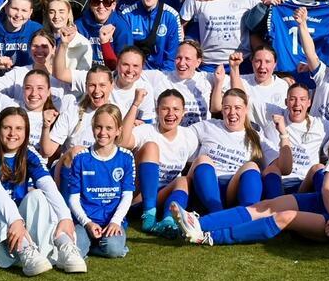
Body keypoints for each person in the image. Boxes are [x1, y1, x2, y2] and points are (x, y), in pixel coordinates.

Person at [166, 136, 329, 249]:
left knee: (284, 217)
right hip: (327, 203)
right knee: (265, 205)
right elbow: (327, 187)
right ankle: (199, 223)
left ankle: (209, 237)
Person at [0, 108, 88, 275]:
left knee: (38, 195)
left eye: (19, 128)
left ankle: (64, 245)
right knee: (2, 203)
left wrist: (65, 217)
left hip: (14, 228)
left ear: (26, 132)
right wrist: (15, 221)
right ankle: (26, 251)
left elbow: (48, 186)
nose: (13, 133)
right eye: (7, 127)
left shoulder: (30, 153)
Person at [181, 77, 265, 212]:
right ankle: (216, 212)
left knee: (252, 167)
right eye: (227, 108)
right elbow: (180, 139)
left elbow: (282, 166)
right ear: (221, 109)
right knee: (203, 160)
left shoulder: (256, 136)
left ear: (246, 109)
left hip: (234, 188)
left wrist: (284, 136)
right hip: (206, 183)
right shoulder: (207, 126)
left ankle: (248, 213)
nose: (232, 113)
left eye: (237, 107)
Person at [124, 87, 201, 233]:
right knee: (151, 147)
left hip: (163, 197)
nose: (171, 114)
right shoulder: (146, 130)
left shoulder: (188, 137)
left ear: (183, 112)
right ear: (157, 110)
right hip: (137, 197)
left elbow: (190, 166)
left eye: (176, 109)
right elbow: (122, 141)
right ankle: (149, 214)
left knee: (184, 180)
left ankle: (168, 221)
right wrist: (135, 104)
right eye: (165, 109)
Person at [64, 105, 135, 258]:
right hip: (85, 220)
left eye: (109, 128)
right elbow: (73, 199)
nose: (103, 133)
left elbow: (127, 195)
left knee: (113, 249)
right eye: (98, 127)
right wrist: (87, 223)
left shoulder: (126, 158)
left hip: (112, 221)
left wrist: (116, 221)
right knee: (76, 250)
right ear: (93, 128)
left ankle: (105, 245)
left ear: (118, 130)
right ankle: (90, 243)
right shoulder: (81, 158)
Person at [259, 83, 324, 199]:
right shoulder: (272, 116)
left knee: (319, 168)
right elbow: (242, 102)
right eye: (292, 99)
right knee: (271, 169)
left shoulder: (320, 125)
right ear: (286, 102)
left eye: (302, 99)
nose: (297, 103)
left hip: (305, 183)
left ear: (309, 103)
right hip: (278, 180)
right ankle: (274, 211)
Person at [117, 0, 183, 71]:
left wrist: (162, 78)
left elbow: (173, 55)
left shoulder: (171, 16)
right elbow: (124, 52)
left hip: (162, 74)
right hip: (134, 72)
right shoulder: (127, 15)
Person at [75, 0, 128, 67]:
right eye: (96, 2)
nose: (101, 6)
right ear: (90, 5)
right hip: (85, 73)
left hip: (113, 73)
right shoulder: (79, 25)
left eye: (107, 2)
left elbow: (124, 62)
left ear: (113, 5)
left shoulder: (121, 27)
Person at [0, 0, 42, 68]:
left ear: (30, 13)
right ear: (6, 8)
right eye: (14, 9)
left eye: (24, 10)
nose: (18, 14)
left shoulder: (37, 31)